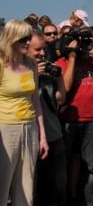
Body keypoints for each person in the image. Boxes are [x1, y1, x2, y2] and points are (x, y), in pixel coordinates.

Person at [56, 26, 93, 205]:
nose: (84, 45)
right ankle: (67, 198)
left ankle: (89, 202)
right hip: (69, 120)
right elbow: (65, 87)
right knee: (66, 164)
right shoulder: (62, 62)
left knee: (90, 166)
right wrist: (72, 57)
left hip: (92, 119)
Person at [0, 20, 49, 206]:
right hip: (5, 130)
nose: (28, 43)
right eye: (23, 39)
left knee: (27, 188)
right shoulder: (1, 64)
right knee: (2, 186)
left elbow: (35, 100)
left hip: (30, 129)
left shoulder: (31, 64)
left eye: (29, 38)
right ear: (11, 38)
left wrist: (42, 135)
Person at [28, 32, 68, 206]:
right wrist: (33, 76)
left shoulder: (48, 70)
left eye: (43, 49)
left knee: (58, 185)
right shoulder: (18, 73)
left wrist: (59, 80)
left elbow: (60, 100)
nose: (42, 54)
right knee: (37, 188)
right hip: (32, 139)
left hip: (54, 135)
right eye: (37, 50)